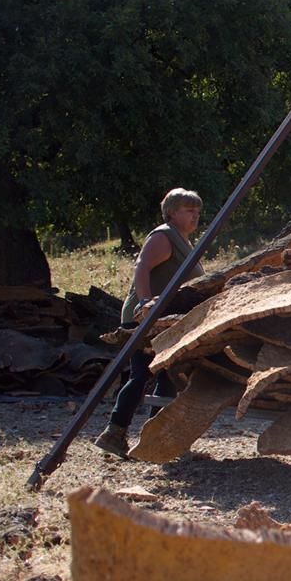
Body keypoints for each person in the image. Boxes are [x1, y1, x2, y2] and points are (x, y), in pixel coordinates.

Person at [93, 188, 205, 457]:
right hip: (145, 320)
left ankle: (158, 440)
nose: (195, 217)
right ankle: (115, 433)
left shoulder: (183, 241)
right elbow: (142, 267)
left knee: (167, 377)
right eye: (188, 211)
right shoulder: (163, 236)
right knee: (142, 373)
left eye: (197, 212)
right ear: (171, 213)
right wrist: (144, 304)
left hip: (165, 322)